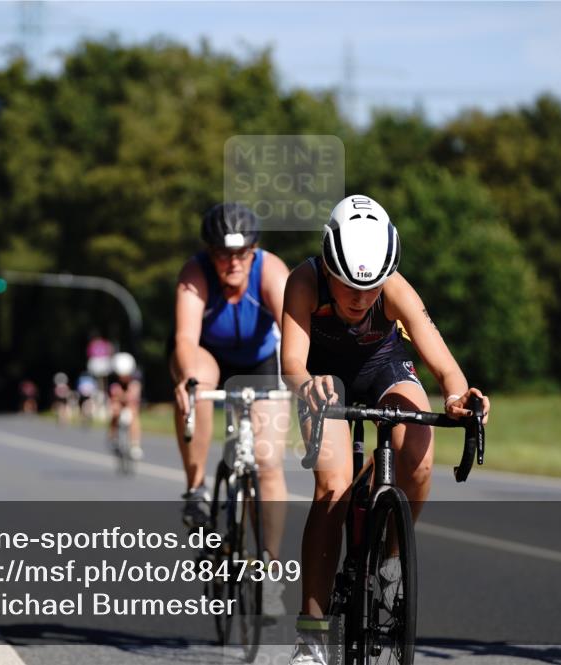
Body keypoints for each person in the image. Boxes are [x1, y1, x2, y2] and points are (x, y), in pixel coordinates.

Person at [281, 194, 491, 665]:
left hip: (383, 366)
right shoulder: (304, 280)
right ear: (329, 268)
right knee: (333, 487)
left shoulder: (395, 288)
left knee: (417, 447)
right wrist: (307, 386)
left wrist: (459, 398)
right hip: (324, 379)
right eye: (349, 285)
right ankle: (312, 637)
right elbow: (291, 362)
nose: (361, 298)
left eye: (372, 287)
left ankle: (391, 560)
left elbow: (445, 367)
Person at [169, 202, 291, 614]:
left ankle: (270, 573)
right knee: (196, 384)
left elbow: (295, 332)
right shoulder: (195, 273)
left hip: (260, 361)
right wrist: (188, 378)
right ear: (210, 252)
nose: (232, 263)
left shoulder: (271, 272)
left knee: (268, 461)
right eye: (223, 254)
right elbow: (186, 337)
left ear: (254, 251)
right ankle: (196, 488)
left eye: (241, 254)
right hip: (208, 355)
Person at [107, 351, 143, 460]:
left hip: (129, 399)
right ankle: (113, 437)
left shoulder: (136, 376)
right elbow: (113, 395)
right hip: (117, 399)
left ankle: (135, 444)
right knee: (115, 411)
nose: (123, 377)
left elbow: (135, 393)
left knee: (133, 413)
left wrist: (128, 397)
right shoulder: (112, 378)